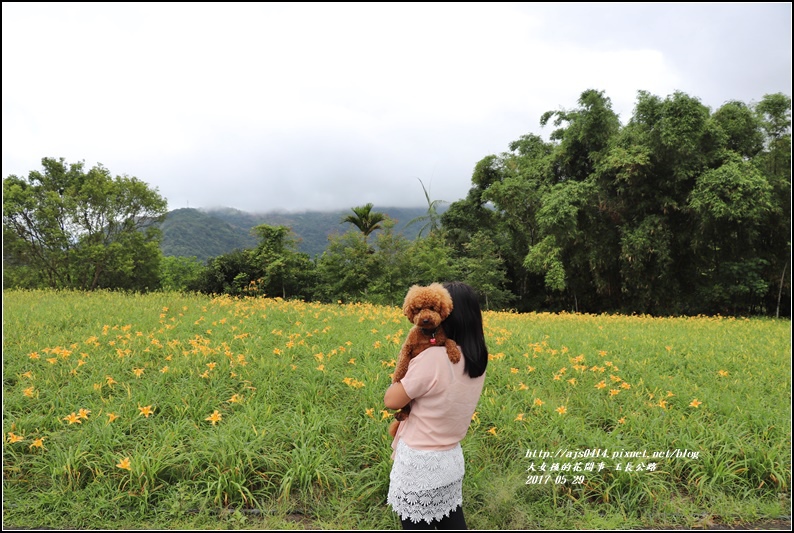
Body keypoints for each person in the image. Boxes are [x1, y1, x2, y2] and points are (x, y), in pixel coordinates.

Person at [384, 281, 489, 530]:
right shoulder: (478, 359)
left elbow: (392, 400)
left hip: (420, 464)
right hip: (451, 459)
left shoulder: (432, 358)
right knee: (452, 522)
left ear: (447, 315)